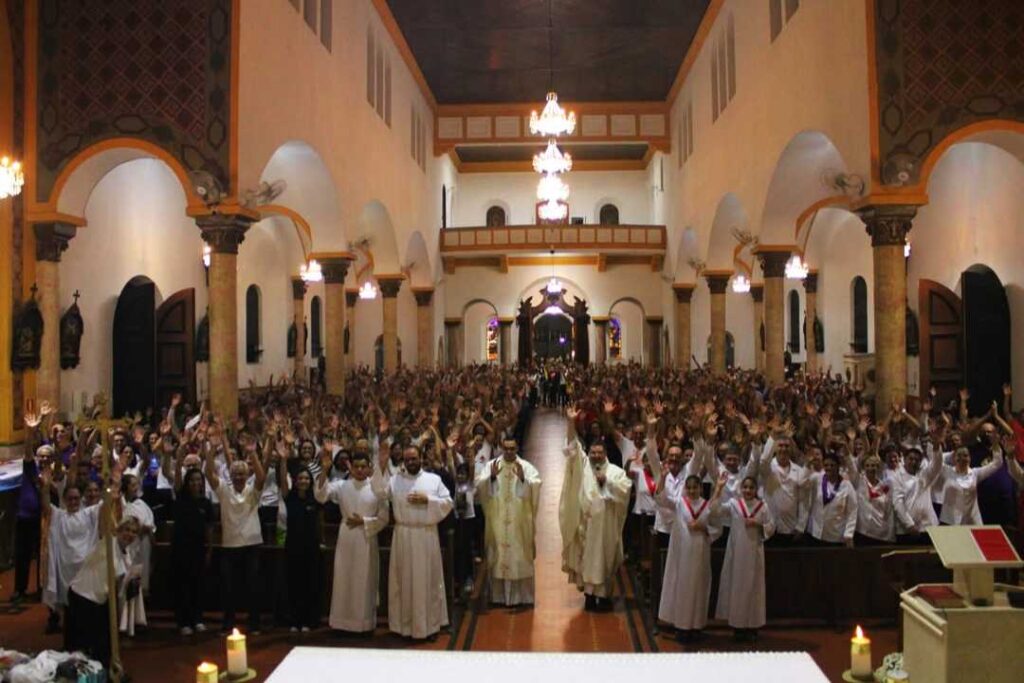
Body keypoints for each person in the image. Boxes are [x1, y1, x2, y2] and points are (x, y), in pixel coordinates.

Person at [372, 437, 453, 639]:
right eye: (407, 459)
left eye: (414, 458)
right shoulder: (395, 480)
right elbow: (380, 493)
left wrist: (428, 500)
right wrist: (381, 465)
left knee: (428, 581)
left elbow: (448, 502)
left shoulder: (433, 480)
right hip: (403, 536)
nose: (411, 462)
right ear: (403, 460)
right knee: (403, 581)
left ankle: (429, 626)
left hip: (426, 536)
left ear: (421, 459)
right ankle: (404, 626)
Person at [561, 406, 632, 611]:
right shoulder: (583, 466)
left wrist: (606, 482)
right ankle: (589, 597)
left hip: (606, 527)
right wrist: (571, 423)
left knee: (603, 561)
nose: (596, 456)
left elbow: (625, 490)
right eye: (593, 452)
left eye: (599, 453)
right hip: (586, 525)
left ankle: (604, 597)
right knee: (587, 560)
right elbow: (573, 446)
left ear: (605, 453)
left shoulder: (616, 472)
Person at [316, 450, 389, 633]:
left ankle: (363, 624)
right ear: (351, 467)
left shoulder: (376, 488)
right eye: (356, 466)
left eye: (363, 466)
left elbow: (384, 517)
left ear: (369, 468)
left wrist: (363, 521)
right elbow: (320, 495)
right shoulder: (341, 485)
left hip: (366, 537)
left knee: (364, 579)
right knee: (344, 578)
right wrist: (325, 470)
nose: (359, 470)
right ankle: (341, 623)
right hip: (346, 536)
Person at [205, 433, 267, 634]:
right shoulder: (223, 489)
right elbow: (208, 473)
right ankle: (227, 624)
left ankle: (255, 624)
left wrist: (252, 454)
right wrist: (213, 449)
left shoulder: (253, 490)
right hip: (229, 545)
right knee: (228, 588)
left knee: (253, 587)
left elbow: (261, 476)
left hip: (251, 544)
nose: (239, 476)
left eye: (242, 473)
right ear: (230, 475)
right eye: (236, 473)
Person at [475, 436, 541, 606]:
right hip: (497, 518)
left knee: (519, 554)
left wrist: (522, 479)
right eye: (506, 448)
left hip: (519, 520)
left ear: (517, 448)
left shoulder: (526, 467)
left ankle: (522, 597)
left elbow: (536, 484)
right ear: (502, 448)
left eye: (512, 448)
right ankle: (498, 597)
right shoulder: (492, 466)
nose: (509, 452)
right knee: (498, 553)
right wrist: (490, 479)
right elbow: (480, 484)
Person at [658, 473, 725, 642]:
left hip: (701, 552)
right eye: (689, 488)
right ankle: (681, 627)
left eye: (695, 487)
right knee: (683, 588)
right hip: (683, 555)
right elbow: (662, 500)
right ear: (685, 489)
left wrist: (704, 528)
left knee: (700, 588)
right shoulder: (680, 504)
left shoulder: (707, 506)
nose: (692, 490)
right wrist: (662, 477)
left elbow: (717, 527)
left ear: (701, 488)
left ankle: (696, 627)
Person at [64, 517, 138, 668]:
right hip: (82, 596)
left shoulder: (126, 552)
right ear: (118, 530)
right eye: (126, 530)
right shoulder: (108, 542)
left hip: (100, 599)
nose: (129, 534)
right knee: (81, 646)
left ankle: (106, 672)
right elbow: (104, 520)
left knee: (104, 643)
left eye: (134, 532)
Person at [714, 476, 774, 641]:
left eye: (751, 488)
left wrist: (758, 525)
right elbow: (715, 510)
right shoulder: (734, 504)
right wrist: (718, 489)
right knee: (737, 588)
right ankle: (737, 627)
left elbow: (771, 526)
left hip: (754, 555)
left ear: (756, 490)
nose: (747, 491)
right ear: (741, 489)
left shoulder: (763, 507)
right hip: (736, 553)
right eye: (745, 487)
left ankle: (752, 627)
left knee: (754, 589)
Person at [277, 442, 322, 633]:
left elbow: (319, 523)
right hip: (293, 546)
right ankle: (294, 620)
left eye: (306, 478)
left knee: (310, 584)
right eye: (300, 478)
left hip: (311, 547)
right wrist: (284, 459)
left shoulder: (315, 498)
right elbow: (282, 480)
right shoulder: (290, 496)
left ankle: (308, 621)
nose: (303, 481)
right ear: (295, 480)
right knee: (293, 583)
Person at [170, 466, 213, 636]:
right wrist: (178, 455)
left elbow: (209, 528)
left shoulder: (206, 503)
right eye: (192, 480)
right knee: (182, 586)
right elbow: (175, 476)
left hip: (199, 549)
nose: (196, 483)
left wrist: (209, 549)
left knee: (198, 586)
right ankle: (183, 621)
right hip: (181, 549)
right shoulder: (181, 498)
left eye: (199, 480)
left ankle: (197, 619)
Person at [937, 443, 1004, 525]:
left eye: (965, 455)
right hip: (950, 521)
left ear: (970, 458)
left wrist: (995, 444)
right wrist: (938, 444)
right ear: (954, 458)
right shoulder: (946, 471)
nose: (962, 458)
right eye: (959, 455)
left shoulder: (975, 473)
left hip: (972, 520)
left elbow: (997, 463)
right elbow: (935, 461)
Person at [806, 450, 858, 546]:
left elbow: (852, 511)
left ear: (838, 466)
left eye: (832, 465)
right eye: (826, 465)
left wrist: (849, 534)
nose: (829, 468)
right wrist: (807, 464)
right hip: (816, 533)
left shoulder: (846, 485)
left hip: (836, 535)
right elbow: (802, 482)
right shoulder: (816, 479)